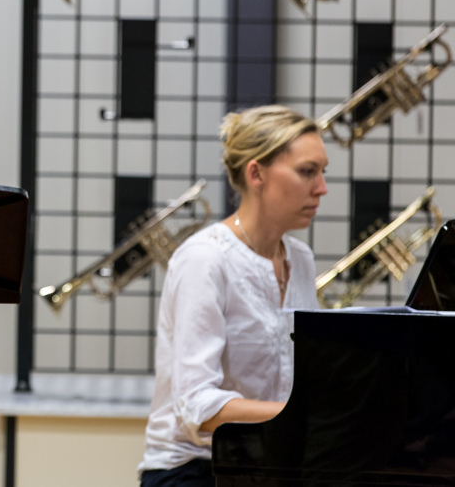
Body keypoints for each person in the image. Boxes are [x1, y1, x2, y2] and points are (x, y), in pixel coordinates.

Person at [137, 105, 328, 486]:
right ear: (255, 173)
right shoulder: (205, 260)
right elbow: (198, 408)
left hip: (268, 465)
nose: (321, 188)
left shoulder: (301, 260)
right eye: (308, 171)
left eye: (323, 173)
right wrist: (297, 415)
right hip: (191, 470)